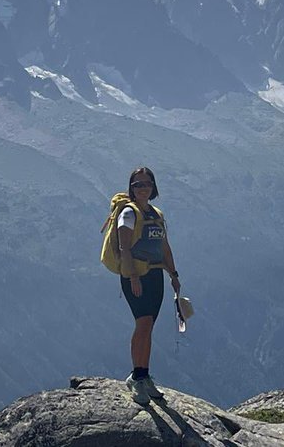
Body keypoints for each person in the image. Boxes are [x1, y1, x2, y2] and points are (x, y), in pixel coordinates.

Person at [116, 166, 181, 406]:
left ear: (153, 187)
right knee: (142, 323)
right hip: (135, 275)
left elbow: (164, 247)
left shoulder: (156, 214)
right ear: (131, 188)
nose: (143, 188)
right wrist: (132, 277)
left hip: (155, 275)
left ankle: (144, 375)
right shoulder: (128, 214)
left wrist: (173, 274)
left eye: (146, 184)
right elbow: (124, 248)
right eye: (137, 184)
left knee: (148, 326)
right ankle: (136, 377)